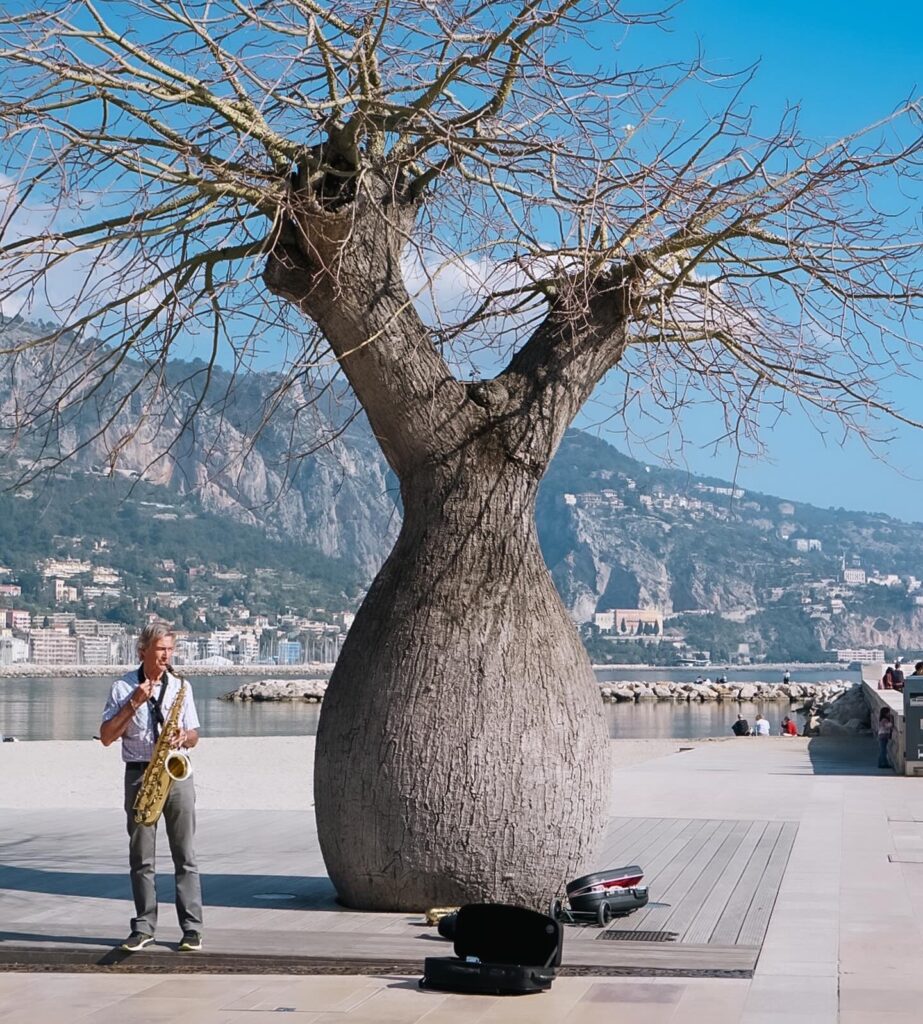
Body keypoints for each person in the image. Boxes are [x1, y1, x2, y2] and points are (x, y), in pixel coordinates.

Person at [100, 622, 203, 953]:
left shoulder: (180, 688)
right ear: (142, 651)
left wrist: (182, 737)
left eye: (171, 650)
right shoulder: (122, 687)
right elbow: (106, 736)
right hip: (140, 774)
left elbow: (194, 735)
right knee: (141, 857)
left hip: (175, 774)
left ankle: (192, 929)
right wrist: (134, 702)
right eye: (161, 650)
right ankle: (144, 926)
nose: (167, 656)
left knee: (184, 855)